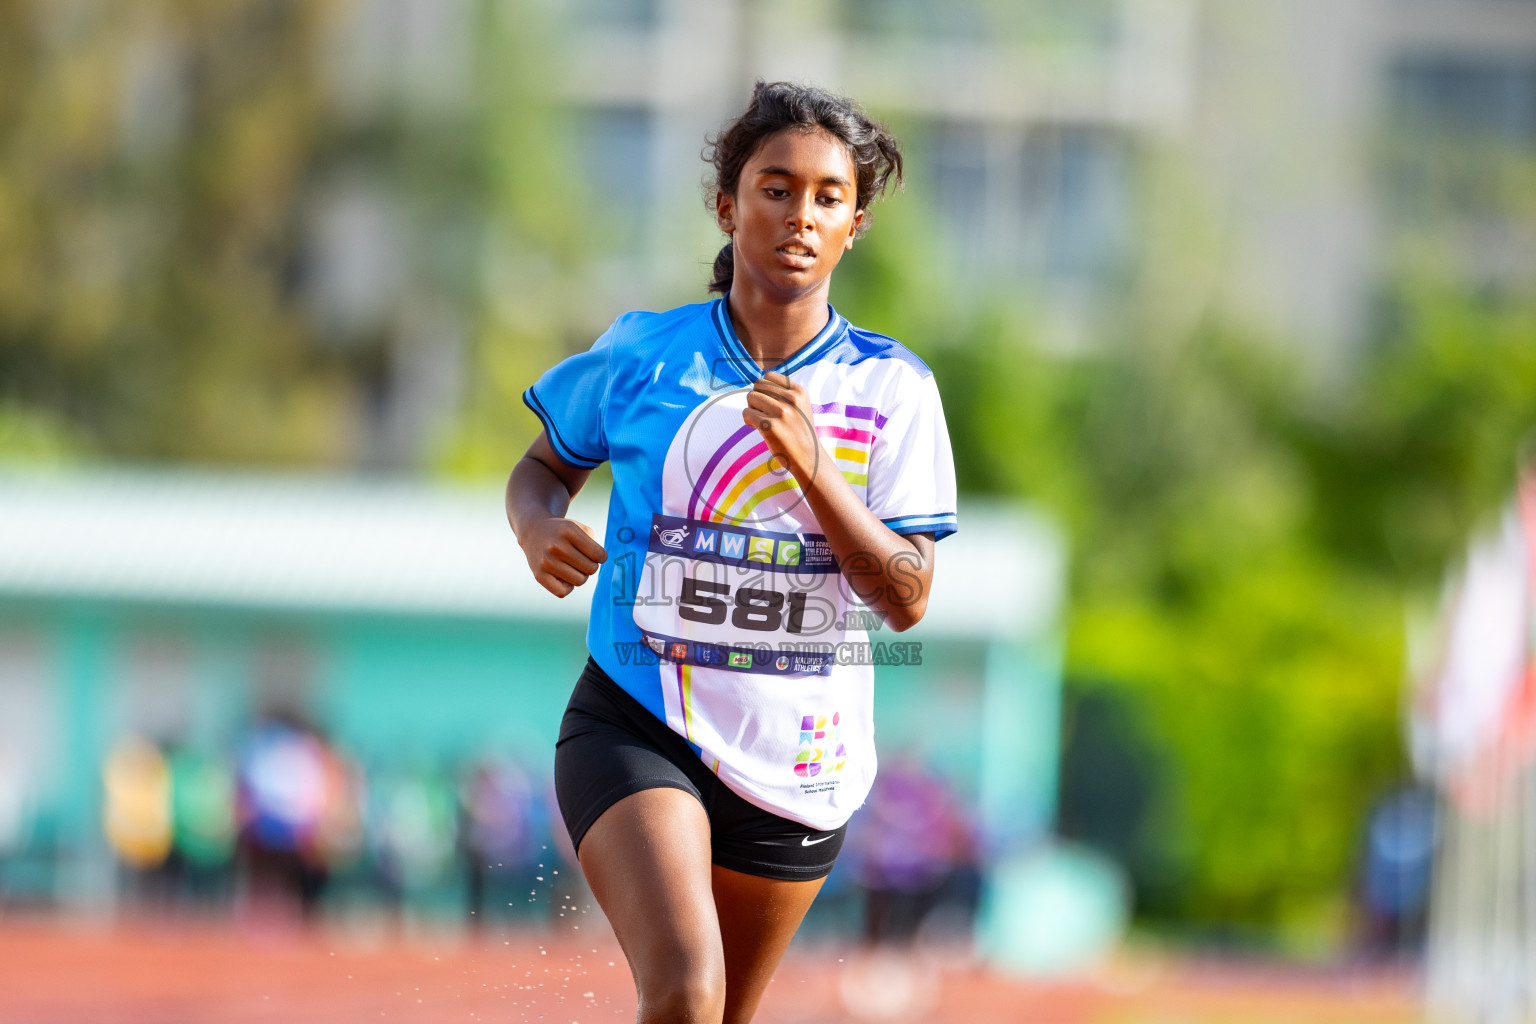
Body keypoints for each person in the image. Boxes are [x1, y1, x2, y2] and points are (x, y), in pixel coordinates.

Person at [505, 81, 958, 1024]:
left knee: (722, 1017)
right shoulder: (644, 354)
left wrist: (817, 473)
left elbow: (908, 598)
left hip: (797, 759)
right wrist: (537, 524)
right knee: (685, 989)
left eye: (828, 196)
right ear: (728, 204)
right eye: (775, 187)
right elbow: (540, 469)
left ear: (855, 226)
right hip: (638, 719)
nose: (800, 214)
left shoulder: (895, 388)